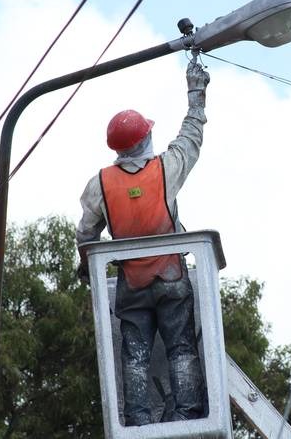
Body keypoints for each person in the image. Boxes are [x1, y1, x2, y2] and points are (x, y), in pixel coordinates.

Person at [76, 57, 210, 426]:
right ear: (145, 138)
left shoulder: (100, 184)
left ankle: (137, 419)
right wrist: (196, 93)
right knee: (181, 347)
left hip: (131, 286)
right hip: (170, 279)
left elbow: (86, 235)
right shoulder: (166, 168)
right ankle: (186, 411)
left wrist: (85, 264)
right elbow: (191, 137)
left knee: (134, 355)